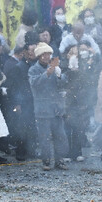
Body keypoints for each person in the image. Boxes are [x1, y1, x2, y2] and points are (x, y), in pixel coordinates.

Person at [28, 43, 69, 171]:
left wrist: (59, 75)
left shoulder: (54, 67)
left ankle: (59, 160)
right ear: (39, 56)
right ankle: (46, 161)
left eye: (48, 54)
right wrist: (46, 74)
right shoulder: (33, 70)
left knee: (60, 135)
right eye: (44, 54)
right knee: (44, 137)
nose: (47, 57)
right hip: (42, 108)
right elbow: (34, 84)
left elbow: (63, 84)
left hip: (56, 107)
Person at [64, 43, 100, 161]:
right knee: (67, 127)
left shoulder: (83, 67)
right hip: (68, 101)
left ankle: (77, 151)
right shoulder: (64, 67)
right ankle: (67, 153)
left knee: (78, 127)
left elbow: (87, 82)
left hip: (79, 100)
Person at [4, 43, 37, 162]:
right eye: (31, 51)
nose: (33, 53)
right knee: (22, 127)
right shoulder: (19, 67)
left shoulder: (36, 65)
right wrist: (17, 103)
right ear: (26, 52)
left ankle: (31, 149)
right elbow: (14, 87)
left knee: (32, 126)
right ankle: (21, 151)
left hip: (33, 100)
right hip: (23, 101)